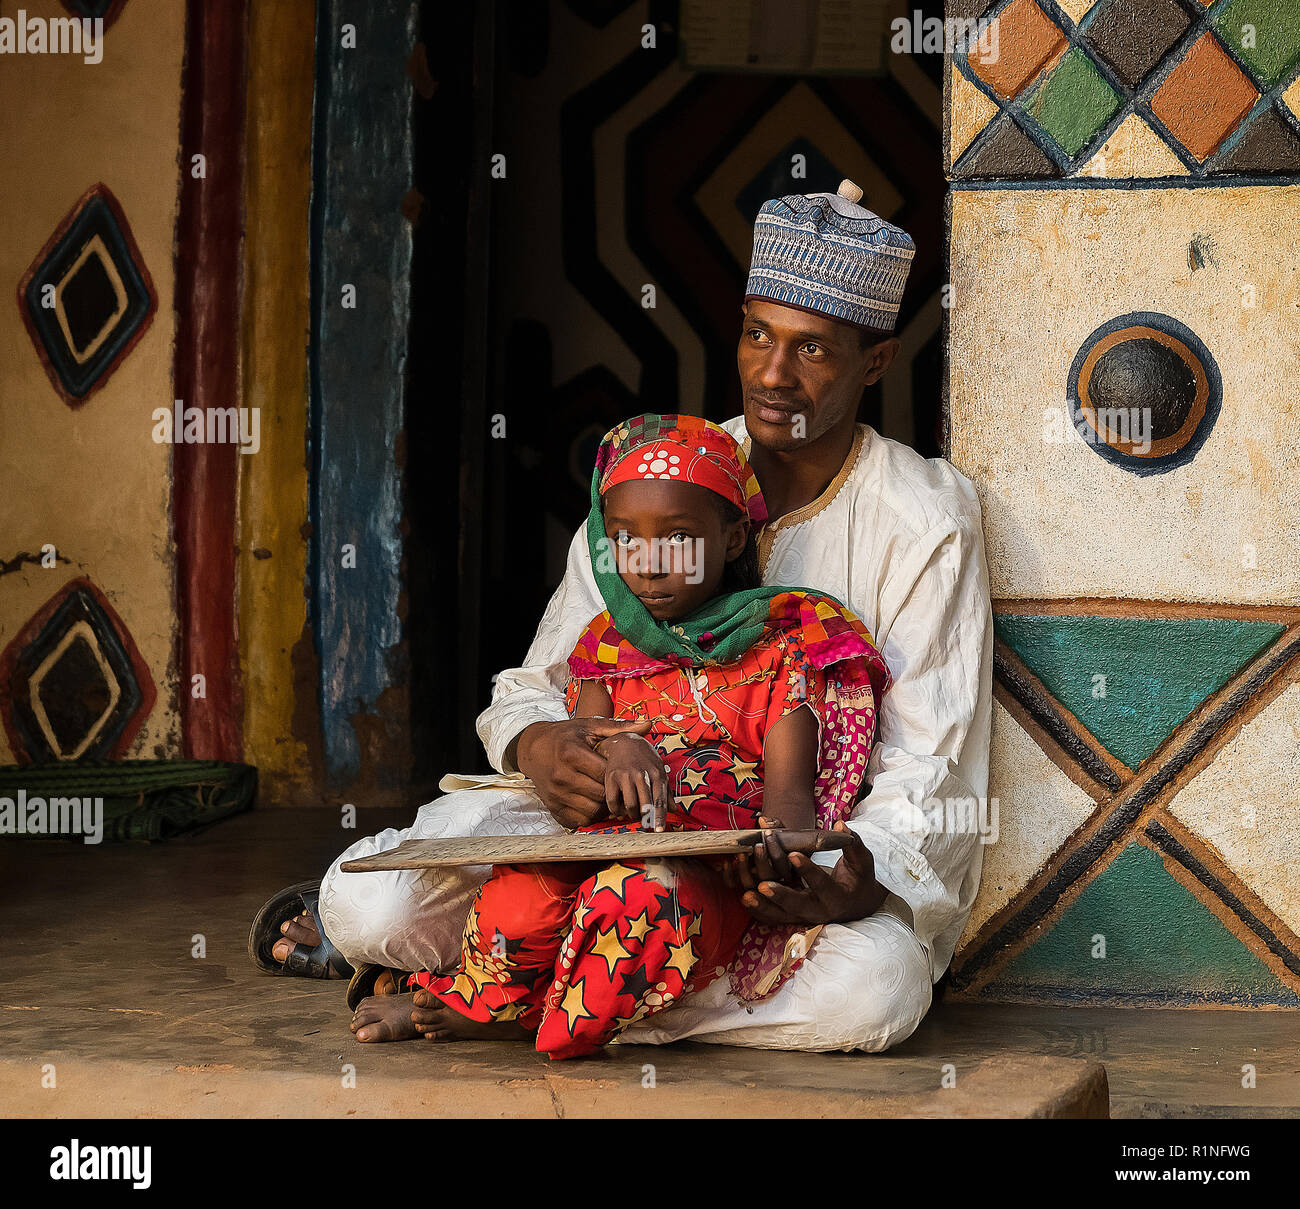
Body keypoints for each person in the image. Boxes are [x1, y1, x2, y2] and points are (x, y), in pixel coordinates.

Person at [253, 178, 992, 1055]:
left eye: (814, 350)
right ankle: (596, 985)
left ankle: (498, 994)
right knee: (362, 898)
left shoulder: (926, 520)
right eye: (758, 333)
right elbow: (536, 686)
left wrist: (845, 878)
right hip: (606, 843)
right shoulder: (656, 480)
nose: (772, 372)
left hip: (776, 880)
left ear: (875, 360)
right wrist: (545, 747)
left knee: (875, 992)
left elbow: (929, 765)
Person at [347, 416, 890, 1056]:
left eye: (680, 539)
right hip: (595, 851)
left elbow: (792, 808)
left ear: (734, 534)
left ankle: (523, 1017)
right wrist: (620, 747)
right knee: (518, 896)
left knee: (639, 898)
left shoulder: (783, 652)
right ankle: (522, 1002)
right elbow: (592, 747)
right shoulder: (605, 645)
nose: (652, 564)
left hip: (703, 877)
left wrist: (780, 863)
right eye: (627, 540)